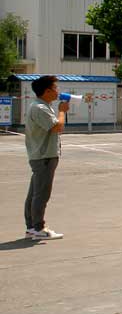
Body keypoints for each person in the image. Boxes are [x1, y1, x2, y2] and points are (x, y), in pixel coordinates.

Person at [24, 75, 68, 240]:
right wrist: (62, 111)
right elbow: (57, 127)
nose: (58, 91)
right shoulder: (40, 108)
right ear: (47, 91)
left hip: (41, 156)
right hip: (44, 157)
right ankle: (39, 228)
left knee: (35, 192)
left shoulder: (42, 106)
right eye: (55, 88)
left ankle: (31, 227)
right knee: (41, 194)